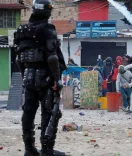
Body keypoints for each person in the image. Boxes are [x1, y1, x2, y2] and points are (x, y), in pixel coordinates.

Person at [13, 0, 67, 155]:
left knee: (28, 113)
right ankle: (46, 150)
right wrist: (56, 80)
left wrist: (25, 77)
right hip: (45, 78)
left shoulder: (22, 30)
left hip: (28, 77)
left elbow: (18, 59)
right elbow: (52, 58)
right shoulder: (47, 29)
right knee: (50, 113)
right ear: (46, 11)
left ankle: (29, 150)